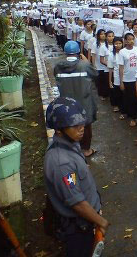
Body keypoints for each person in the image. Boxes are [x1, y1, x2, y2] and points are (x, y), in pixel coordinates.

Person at [44, 97, 109, 257]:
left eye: (82, 124)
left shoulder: (70, 143)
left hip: (87, 221)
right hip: (78, 228)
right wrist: (101, 222)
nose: (82, 129)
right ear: (59, 129)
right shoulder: (61, 163)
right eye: (75, 126)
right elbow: (77, 203)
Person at [54, 41, 98, 158]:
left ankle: (73, 149)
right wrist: (87, 61)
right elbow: (95, 74)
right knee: (86, 127)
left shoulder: (58, 67)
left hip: (67, 103)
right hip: (84, 102)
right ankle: (86, 150)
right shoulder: (84, 65)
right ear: (79, 52)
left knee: (70, 126)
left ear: (66, 52)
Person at [117, 33, 137, 127]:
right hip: (128, 79)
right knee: (130, 99)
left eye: (133, 39)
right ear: (125, 41)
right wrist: (121, 81)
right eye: (129, 39)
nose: (131, 41)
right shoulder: (122, 52)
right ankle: (132, 117)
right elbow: (121, 67)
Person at [91, 29, 110, 100]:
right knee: (100, 81)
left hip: (107, 66)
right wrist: (93, 64)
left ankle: (106, 93)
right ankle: (101, 94)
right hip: (99, 65)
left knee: (106, 80)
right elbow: (93, 55)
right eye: (101, 34)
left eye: (104, 34)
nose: (103, 35)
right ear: (98, 35)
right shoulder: (95, 44)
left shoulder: (108, 43)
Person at [108, 37, 124, 113]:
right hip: (117, 76)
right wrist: (110, 81)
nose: (118, 45)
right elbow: (110, 68)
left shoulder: (125, 52)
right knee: (118, 93)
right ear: (113, 44)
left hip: (126, 76)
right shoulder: (111, 55)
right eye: (116, 43)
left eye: (120, 43)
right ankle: (118, 106)